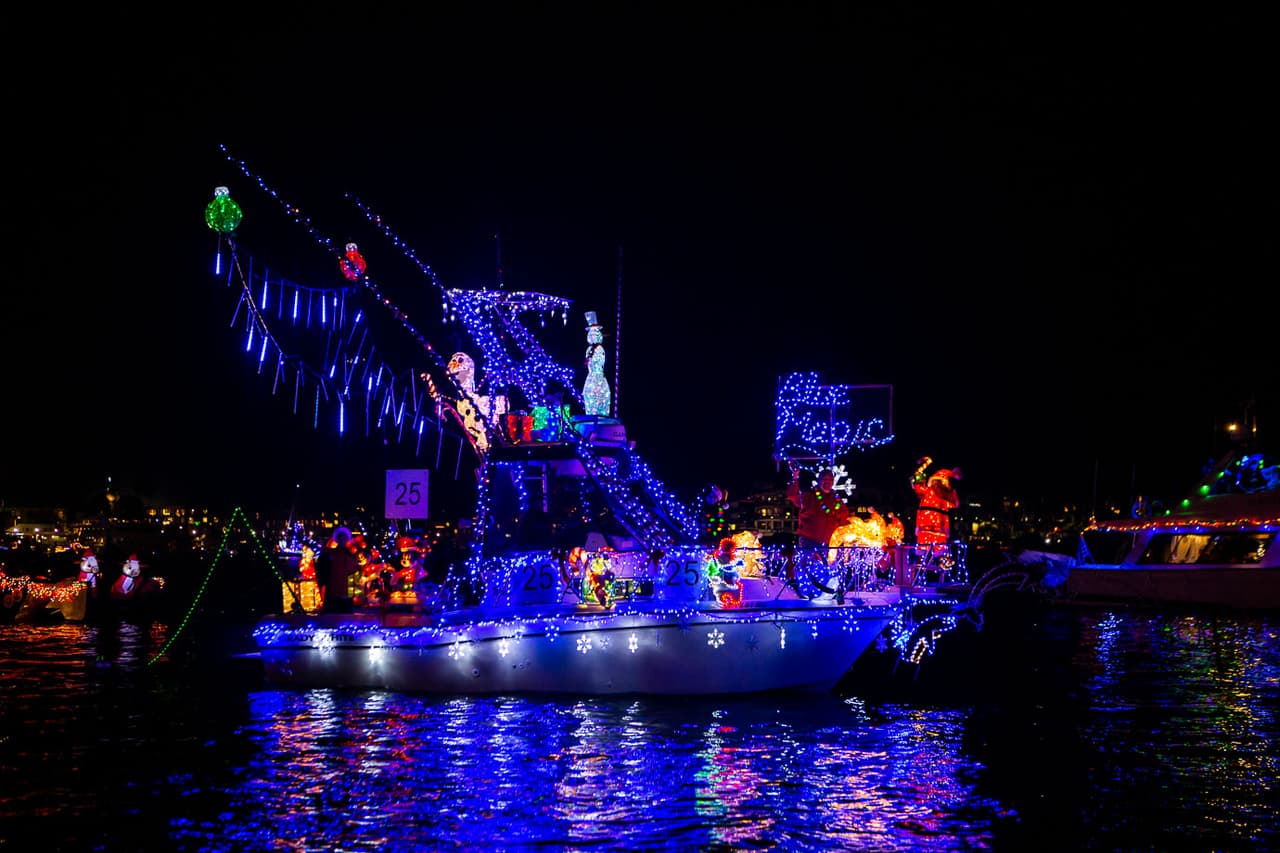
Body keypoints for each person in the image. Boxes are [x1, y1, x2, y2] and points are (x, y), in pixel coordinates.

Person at [786, 466, 850, 554]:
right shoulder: (809, 496)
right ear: (819, 480)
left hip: (830, 544)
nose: (827, 481)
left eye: (830, 479)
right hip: (809, 542)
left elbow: (844, 519)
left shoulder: (837, 500)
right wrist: (795, 476)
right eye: (825, 479)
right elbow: (792, 495)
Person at [316, 527, 360, 614]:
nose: (343, 540)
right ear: (337, 539)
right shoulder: (330, 553)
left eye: (344, 537)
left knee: (347, 615)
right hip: (333, 591)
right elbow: (323, 571)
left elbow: (355, 572)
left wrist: (356, 593)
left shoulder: (353, 555)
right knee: (333, 615)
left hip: (347, 592)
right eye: (340, 537)